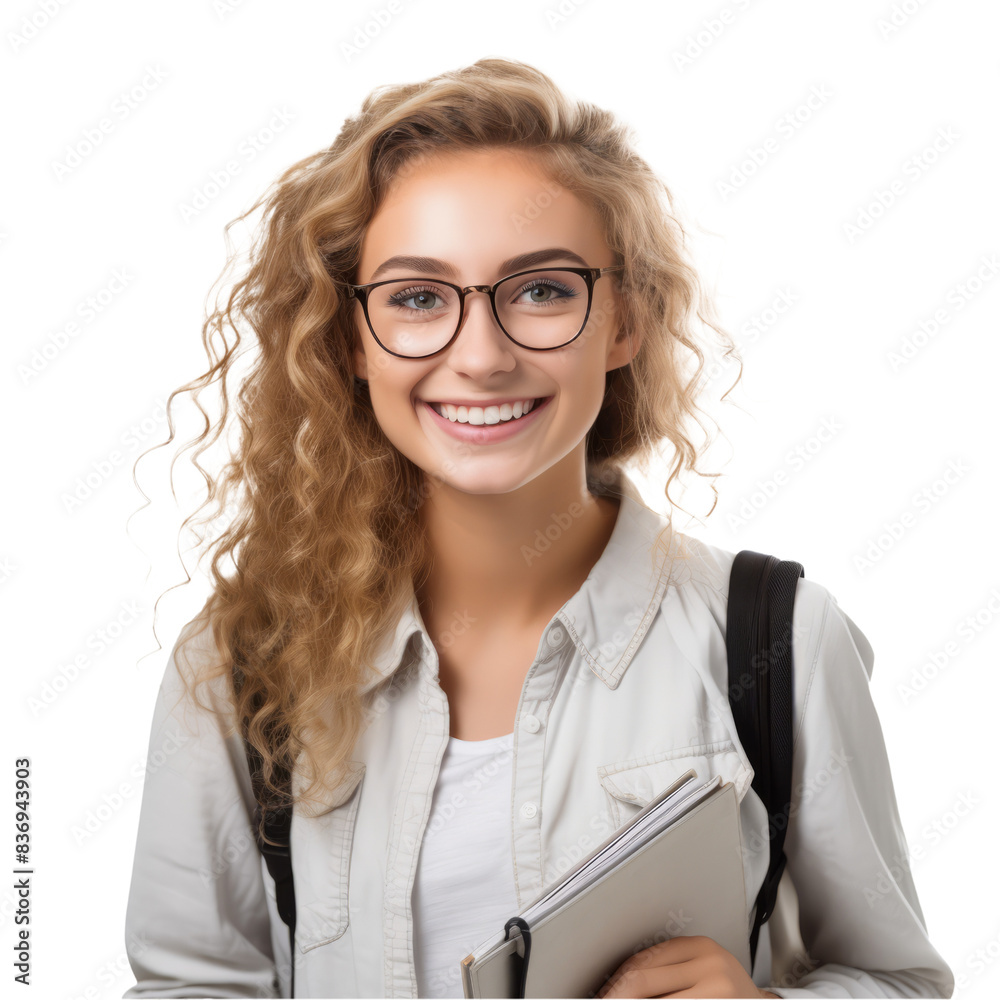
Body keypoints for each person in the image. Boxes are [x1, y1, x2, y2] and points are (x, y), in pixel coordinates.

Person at [122, 58, 954, 998]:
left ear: (624, 321)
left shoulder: (780, 638)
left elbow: (901, 980)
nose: (480, 356)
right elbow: (188, 985)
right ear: (349, 339)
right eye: (417, 297)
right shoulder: (237, 667)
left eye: (543, 290)